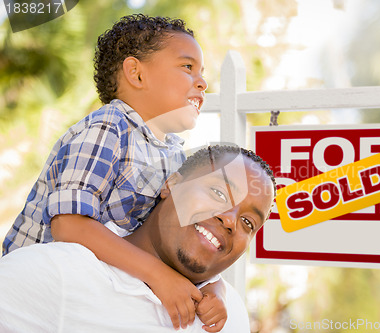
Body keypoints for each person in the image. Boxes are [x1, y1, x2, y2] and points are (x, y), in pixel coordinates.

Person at [0, 14, 226, 330]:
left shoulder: (174, 154)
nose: (202, 82)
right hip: (38, 296)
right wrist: (158, 275)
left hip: (96, 291)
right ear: (136, 73)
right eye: (187, 67)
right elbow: (70, 225)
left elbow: (176, 235)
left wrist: (214, 288)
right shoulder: (108, 128)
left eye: (202, 73)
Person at [0, 145, 276, 333]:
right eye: (218, 193)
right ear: (172, 185)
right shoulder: (55, 275)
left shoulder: (232, 314)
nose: (230, 220)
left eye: (248, 222)